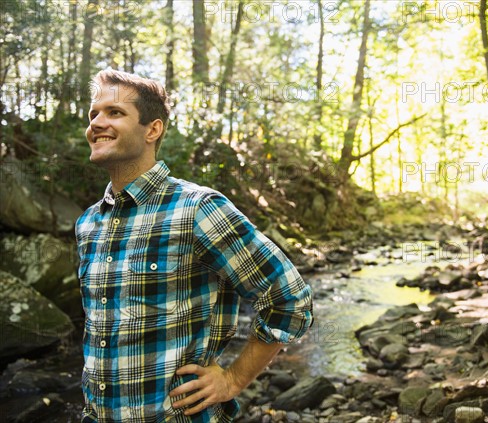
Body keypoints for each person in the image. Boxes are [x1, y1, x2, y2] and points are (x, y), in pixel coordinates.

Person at [75, 69, 313, 422]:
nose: (97, 122)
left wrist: (232, 379)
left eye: (115, 112)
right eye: (94, 113)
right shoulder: (89, 223)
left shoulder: (197, 208)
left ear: (152, 129)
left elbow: (288, 298)